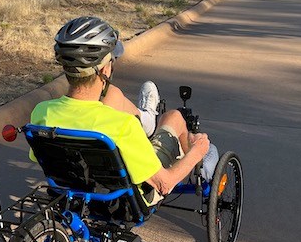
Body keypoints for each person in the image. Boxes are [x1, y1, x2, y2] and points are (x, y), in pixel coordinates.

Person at [30, 16, 211, 204]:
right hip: (126, 200)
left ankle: (148, 119)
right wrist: (197, 152)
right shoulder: (123, 125)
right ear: (105, 70)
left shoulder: (41, 112)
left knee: (112, 95)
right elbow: (164, 184)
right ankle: (198, 160)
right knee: (173, 117)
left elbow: (39, 158)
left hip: (72, 190)